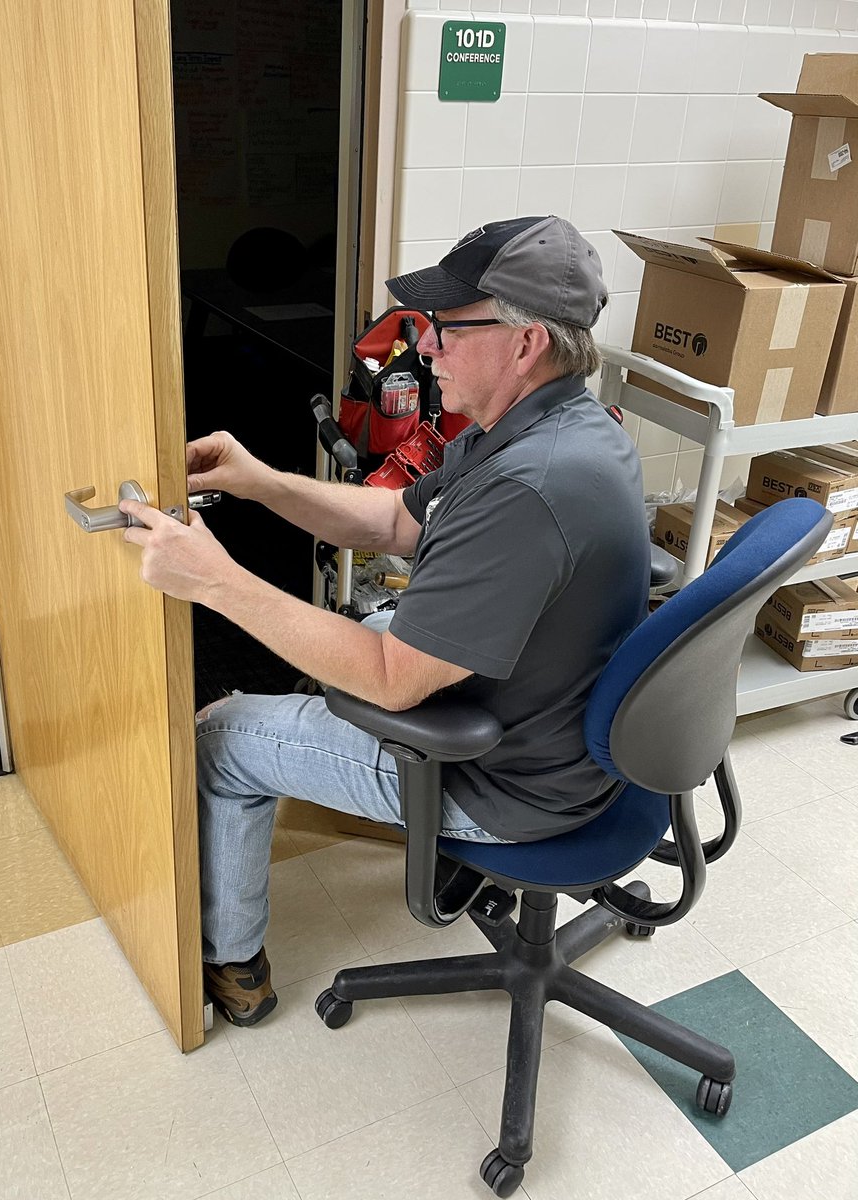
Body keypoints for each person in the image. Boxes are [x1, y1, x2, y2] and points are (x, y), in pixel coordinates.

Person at [120, 214, 652, 1028]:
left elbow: (392, 681)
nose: (425, 346)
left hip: (505, 781)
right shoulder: (552, 426)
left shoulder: (528, 486)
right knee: (342, 634)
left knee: (222, 736)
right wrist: (261, 479)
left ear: (526, 343)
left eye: (448, 327)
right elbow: (396, 524)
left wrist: (217, 582)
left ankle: (233, 967)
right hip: (560, 734)